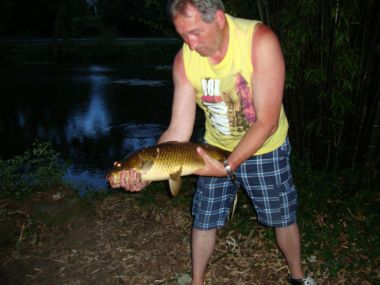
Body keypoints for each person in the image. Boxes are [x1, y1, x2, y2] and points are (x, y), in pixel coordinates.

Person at [109, 1, 317, 284]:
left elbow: (266, 122)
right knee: (204, 220)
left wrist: (229, 166)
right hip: (212, 148)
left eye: (195, 33)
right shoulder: (184, 61)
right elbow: (178, 130)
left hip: (265, 147)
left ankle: (298, 276)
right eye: (183, 36)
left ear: (219, 19)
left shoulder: (259, 42)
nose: (190, 45)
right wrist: (146, 175)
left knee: (282, 217)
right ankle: (197, 282)